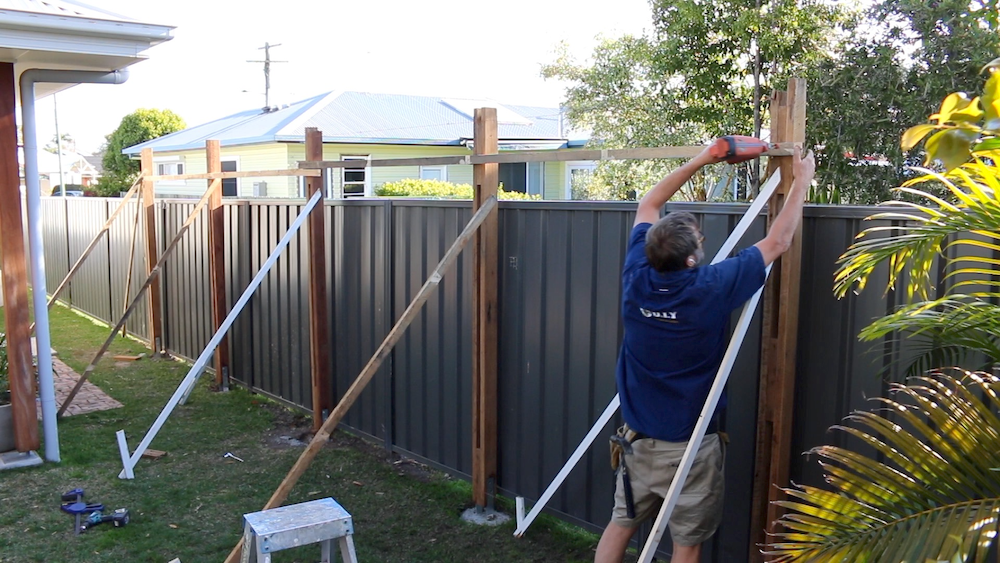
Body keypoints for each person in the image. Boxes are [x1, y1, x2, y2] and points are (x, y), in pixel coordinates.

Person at [595, 144, 816, 563]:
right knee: (686, 543)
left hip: (637, 439)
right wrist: (801, 181)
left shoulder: (637, 275)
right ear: (693, 258)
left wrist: (702, 158)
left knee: (621, 523)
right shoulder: (709, 288)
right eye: (699, 239)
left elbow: (650, 202)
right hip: (690, 447)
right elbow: (779, 240)